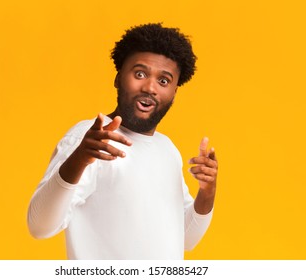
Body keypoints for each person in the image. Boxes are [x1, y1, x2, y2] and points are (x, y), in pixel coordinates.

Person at [27, 23, 218, 260]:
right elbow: (40, 226)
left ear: (174, 93)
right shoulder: (90, 138)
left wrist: (207, 192)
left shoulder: (167, 149)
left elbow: (186, 239)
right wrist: (80, 158)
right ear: (118, 79)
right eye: (139, 74)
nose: (150, 87)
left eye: (164, 81)